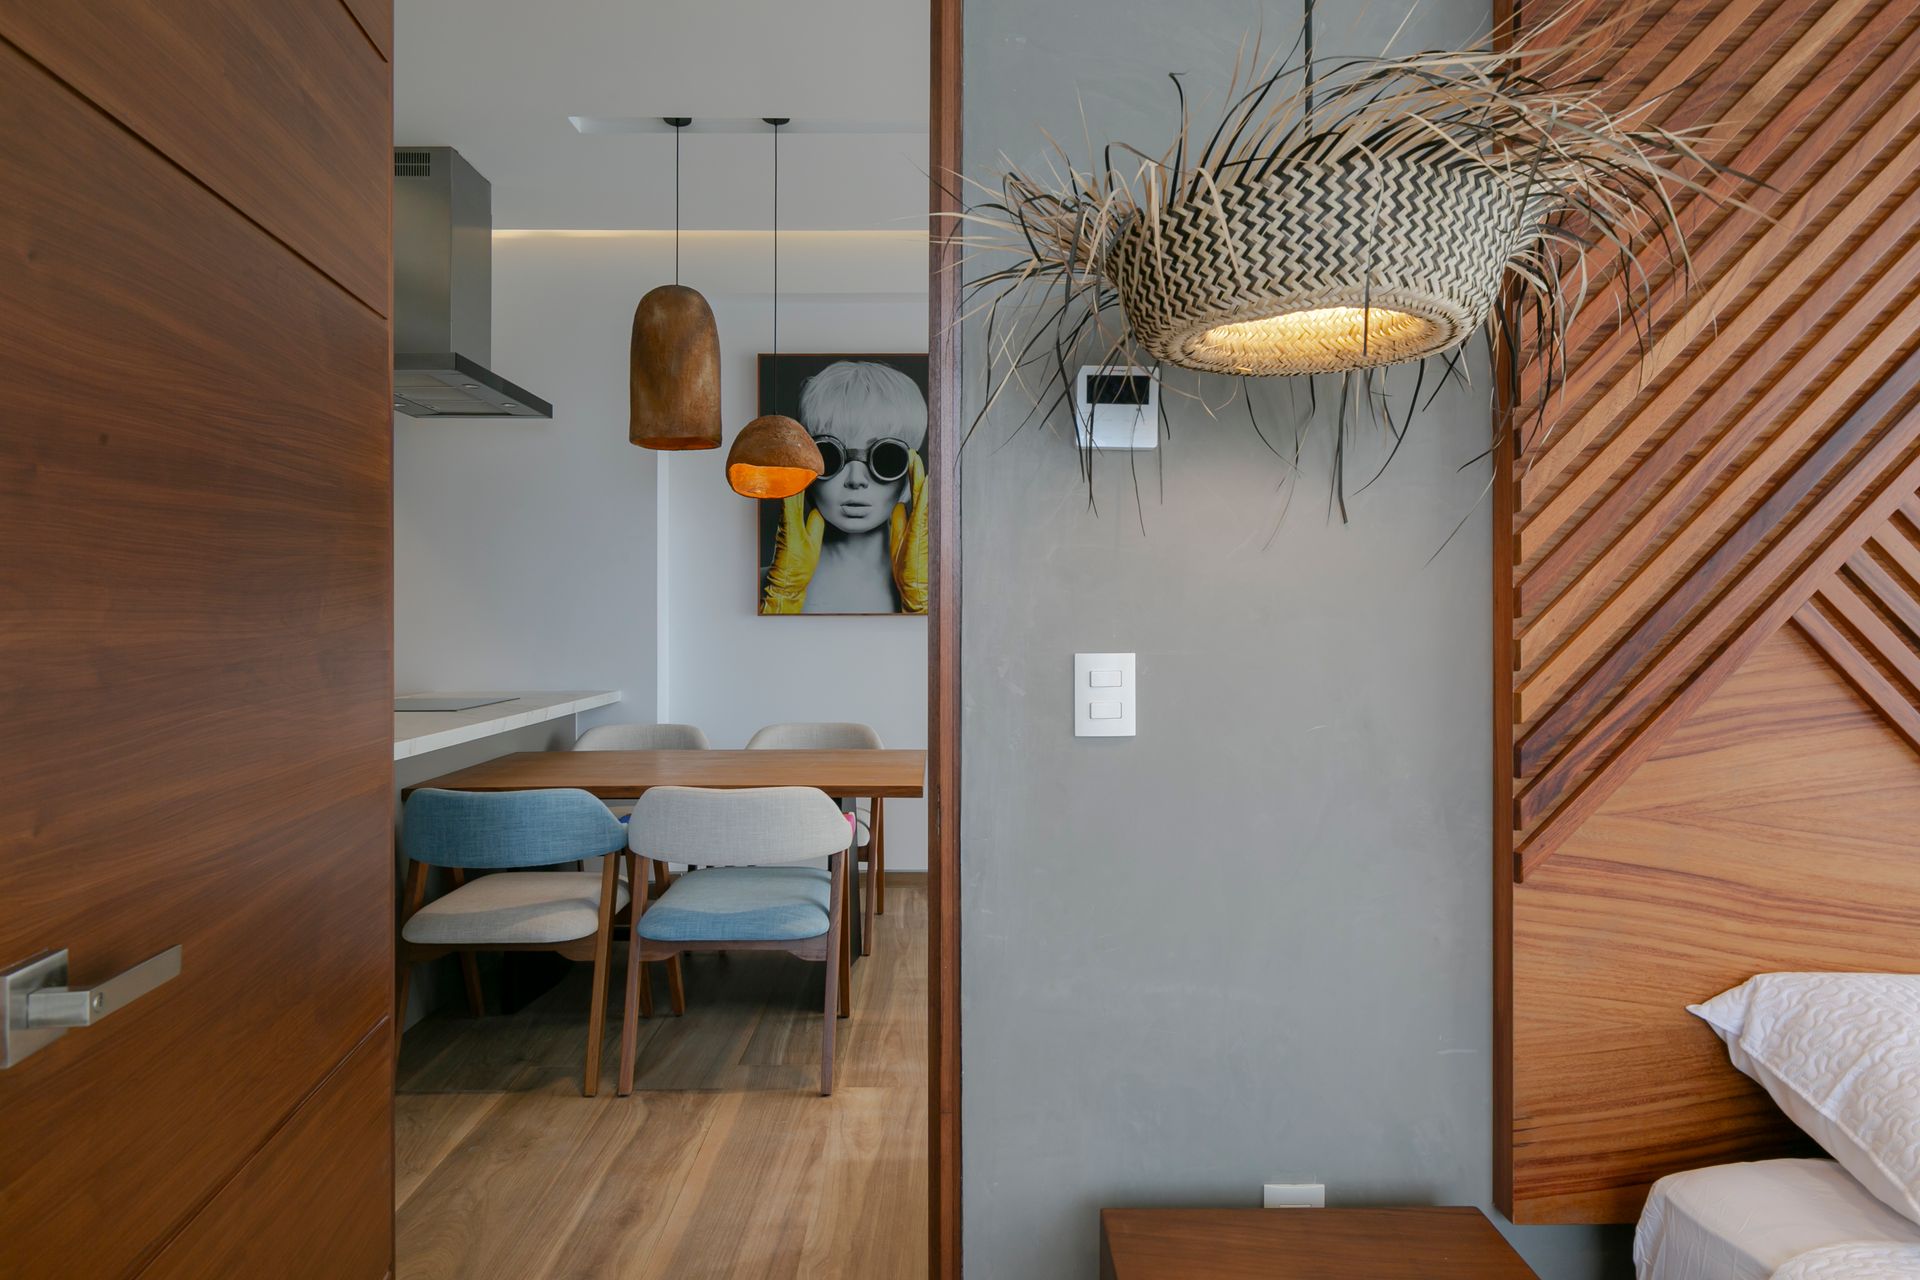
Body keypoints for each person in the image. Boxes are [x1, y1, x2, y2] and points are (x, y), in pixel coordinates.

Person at [761, 360, 929, 614]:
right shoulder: (761, 587)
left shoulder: (940, 592)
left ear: (910, 473)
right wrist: (781, 597)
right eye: (829, 455)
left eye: (885, 458)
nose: (855, 479)